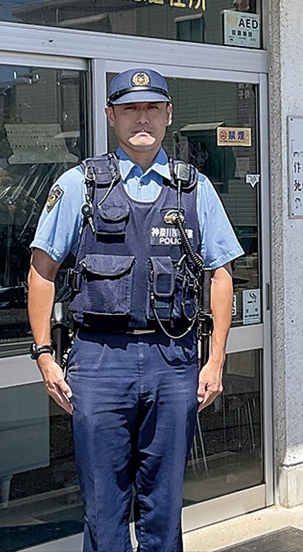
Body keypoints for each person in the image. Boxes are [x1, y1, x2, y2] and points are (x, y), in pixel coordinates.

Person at [27, 67, 241, 552]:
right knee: (103, 507)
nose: (140, 118)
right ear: (110, 116)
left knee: (164, 507)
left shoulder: (194, 189)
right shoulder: (79, 184)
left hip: (173, 363)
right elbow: (42, 269)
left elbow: (220, 273)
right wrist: (43, 354)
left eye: (150, 108)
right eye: (128, 109)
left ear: (168, 114)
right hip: (99, 363)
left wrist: (216, 359)